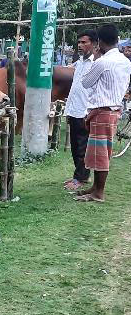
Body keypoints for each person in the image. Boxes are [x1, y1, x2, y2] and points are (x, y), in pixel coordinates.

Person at [75, 24, 131, 202]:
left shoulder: (102, 62)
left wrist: (97, 57)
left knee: (100, 154)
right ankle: (95, 188)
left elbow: (86, 83)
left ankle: (99, 193)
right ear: (117, 39)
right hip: (113, 110)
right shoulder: (125, 61)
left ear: (99, 42)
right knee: (101, 152)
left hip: (102, 111)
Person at [63, 29, 98, 192]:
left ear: (94, 44)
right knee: (75, 146)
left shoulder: (96, 63)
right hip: (74, 109)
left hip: (84, 111)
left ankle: (80, 178)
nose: (80, 45)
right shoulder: (80, 62)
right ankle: (80, 175)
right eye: (79, 42)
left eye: (84, 42)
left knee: (82, 146)